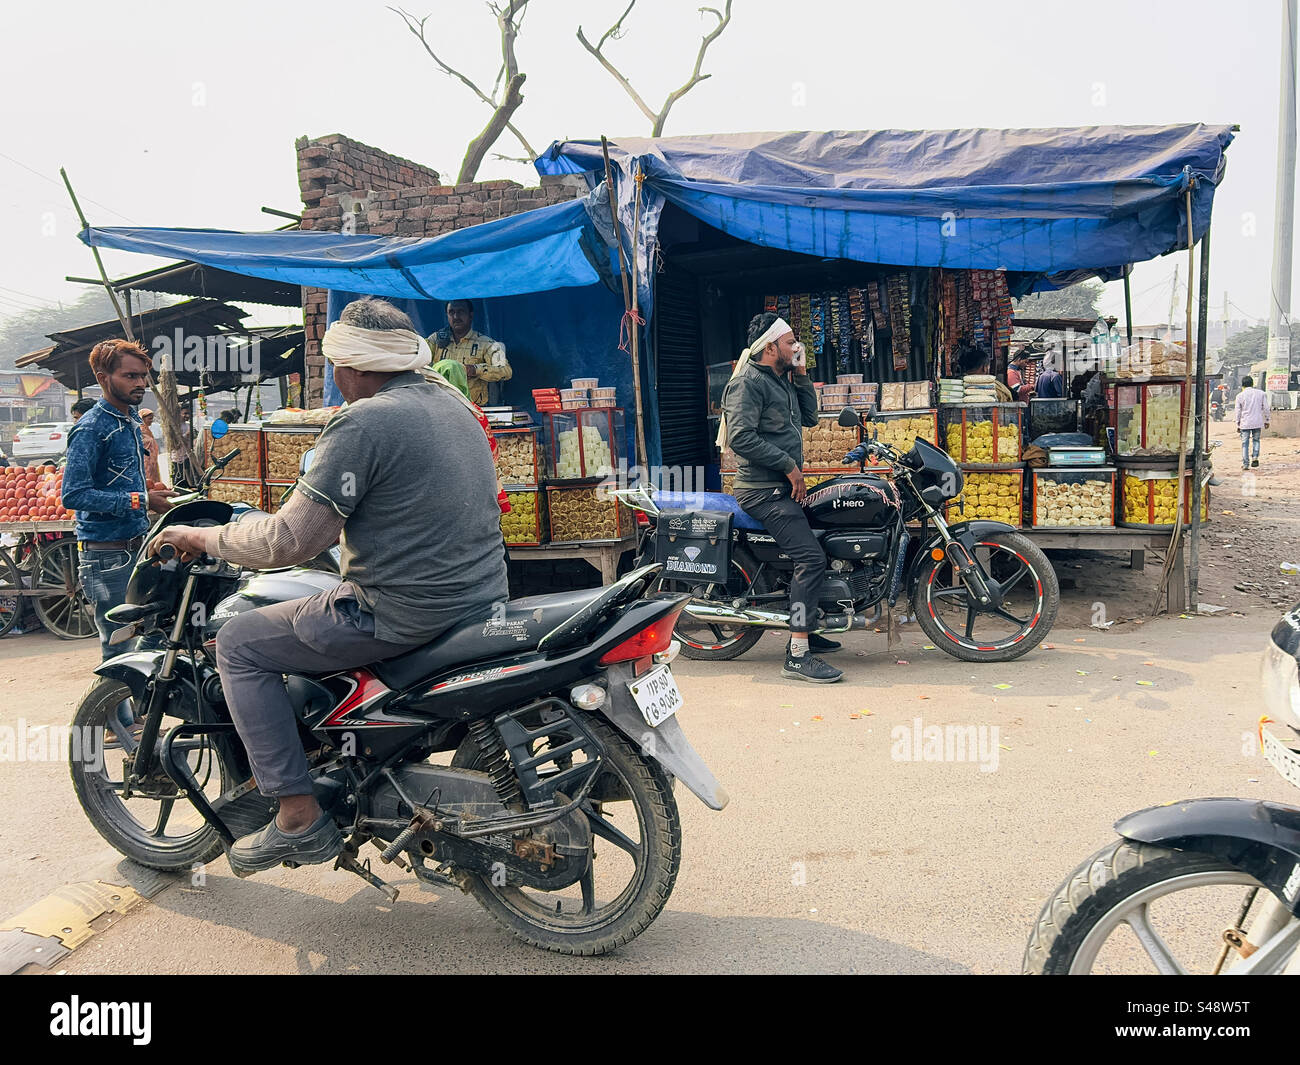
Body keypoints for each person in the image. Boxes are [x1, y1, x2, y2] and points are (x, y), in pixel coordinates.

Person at [154, 297, 509, 874]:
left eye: (333, 367)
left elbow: (287, 544)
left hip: (401, 612)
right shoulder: (454, 403)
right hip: (478, 600)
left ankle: (297, 817)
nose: (332, 380)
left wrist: (205, 537)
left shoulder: (365, 421)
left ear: (353, 366)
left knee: (242, 643)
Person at [720, 312, 842, 683]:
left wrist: (802, 374)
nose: (797, 347)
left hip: (782, 487)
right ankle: (798, 653)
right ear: (771, 347)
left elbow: (810, 418)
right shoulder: (748, 384)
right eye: (791, 342)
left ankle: (807, 623)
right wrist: (790, 466)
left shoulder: (782, 380)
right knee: (810, 557)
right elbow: (740, 437)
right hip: (762, 491)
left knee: (824, 536)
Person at [62, 341, 177, 661]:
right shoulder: (91, 428)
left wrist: (153, 496)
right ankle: (110, 712)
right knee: (121, 650)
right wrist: (142, 501)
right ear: (103, 378)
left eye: (142, 376)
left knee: (146, 644)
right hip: (107, 559)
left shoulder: (127, 421)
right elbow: (73, 494)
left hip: (136, 548)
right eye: (130, 376)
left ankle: (138, 712)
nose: (140, 383)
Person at [427, 298, 511, 407]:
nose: (456, 317)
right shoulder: (435, 339)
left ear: (471, 315)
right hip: (439, 405)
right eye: (451, 312)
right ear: (447, 315)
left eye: (461, 312)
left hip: (473, 408)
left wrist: (475, 369)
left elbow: (506, 370)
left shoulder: (487, 343)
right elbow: (418, 363)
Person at [1234, 375, 1270, 470]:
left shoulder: (1239, 396)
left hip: (1245, 423)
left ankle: (1245, 464)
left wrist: (1237, 423)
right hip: (1257, 422)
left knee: (1244, 443)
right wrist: (1267, 420)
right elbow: (1266, 408)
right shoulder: (1261, 393)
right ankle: (1255, 457)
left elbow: (1238, 411)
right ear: (1252, 383)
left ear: (1243, 385)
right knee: (1256, 440)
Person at [139, 409, 162, 486]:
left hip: (151, 460)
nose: (151, 421)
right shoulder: (139, 430)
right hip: (145, 461)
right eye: (149, 419)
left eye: (152, 418)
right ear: (142, 419)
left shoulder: (147, 430)